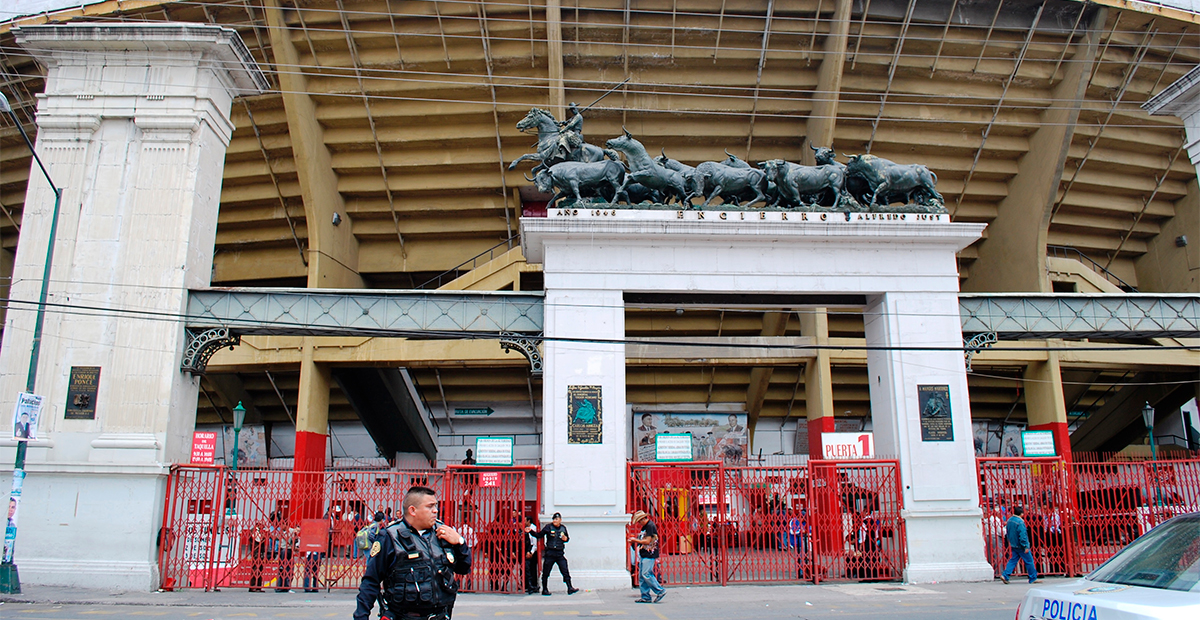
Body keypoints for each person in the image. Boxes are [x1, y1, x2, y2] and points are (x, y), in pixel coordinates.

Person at [353, 486, 472, 620]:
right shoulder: (390, 537)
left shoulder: (443, 533)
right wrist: (361, 616)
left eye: (436, 506)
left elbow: (464, 568)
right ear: (412, 510)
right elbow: (371, 581)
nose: (436, 511)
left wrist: (460, 542)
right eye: (430, 506)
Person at [532, 512, 578, 595]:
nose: (555, 521)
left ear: (560, 520)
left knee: (565, 570)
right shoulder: (548, 527)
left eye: (556, 519)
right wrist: (531, 531)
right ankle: (545, 589)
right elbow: (539, 535)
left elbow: (567, 539)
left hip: (559, 554)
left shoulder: (563, 528)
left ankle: (570, 587)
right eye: (554, 519)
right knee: (546, 572)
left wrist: (565, 539)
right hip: (550, 553)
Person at [629, 510, 666, 603]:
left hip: (650, 554)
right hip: (644, 553)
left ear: (642, 519)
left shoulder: (650, 526)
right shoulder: (645, 527)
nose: (639, 523)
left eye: (639, 521)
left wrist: (635, 541)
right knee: (642, 576)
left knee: (646, 574)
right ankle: (645, 596)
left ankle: (660, 591)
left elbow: (647, 541)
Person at [1000, 506, 1040, 585]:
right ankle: (1033, 577)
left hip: (1013, 544)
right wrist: (1025, 545)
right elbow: (1023, 535)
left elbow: (1007, 532)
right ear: (1021, 514)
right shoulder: (1020, 522)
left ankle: (1005, 575)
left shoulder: (1009, 520)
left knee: (1013, 560)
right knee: (1029, 561)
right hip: (1021, 545)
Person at [247, 519, 268, 592]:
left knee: (260, 569)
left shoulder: (260, 531)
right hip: (256, 552)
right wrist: (264, 535)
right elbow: (258, 540)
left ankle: (258, 586)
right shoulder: (254, 530)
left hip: (260, 552)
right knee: (255, 568)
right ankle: (253, 586)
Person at [522, 515, 539, 594]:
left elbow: (534, 543)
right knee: (527, 569)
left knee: (532, 569)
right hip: (528, 549)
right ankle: (527, 585)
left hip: (532, 550)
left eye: (525, 520)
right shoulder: (525, 528)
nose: (524, 522)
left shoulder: (533, 528)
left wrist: (531, 552)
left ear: (529, 521)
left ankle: (533, 585)